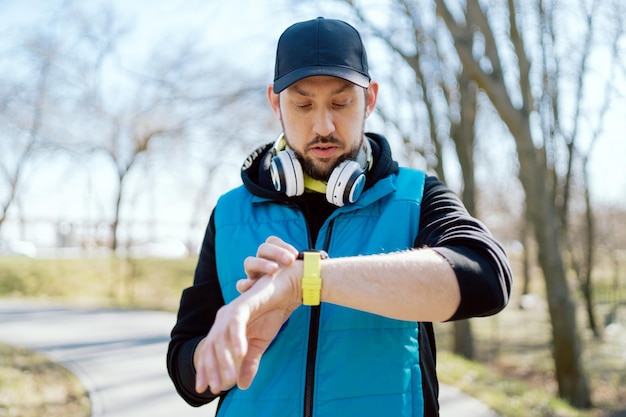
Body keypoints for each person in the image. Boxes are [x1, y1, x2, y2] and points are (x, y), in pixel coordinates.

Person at [167, 17, 512, 417]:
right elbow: (186, 373)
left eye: (341, 102)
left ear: (370, 99)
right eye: (303, 104)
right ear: (275, 102)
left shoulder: (417, 197)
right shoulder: (229, 212)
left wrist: (305, 282)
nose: (323, 125)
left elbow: (487, 277)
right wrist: (218, 355)